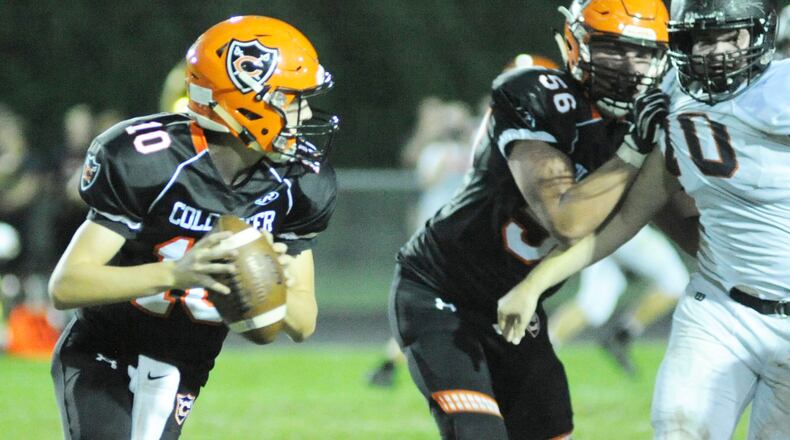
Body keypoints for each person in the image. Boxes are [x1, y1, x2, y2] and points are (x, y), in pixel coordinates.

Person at [498, 0, 789, 437]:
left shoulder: (779, 90)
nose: (716, 51)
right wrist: (534, 283)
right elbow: (628, 218)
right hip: (720, 312)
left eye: (732, 36)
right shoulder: (673, 100)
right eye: (702, 39)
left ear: (761, 38)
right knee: (678, 429)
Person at [388, 0, 676, 438]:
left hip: (517, 308)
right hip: (442, 292)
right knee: (477, 431)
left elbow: (654, 217)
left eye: (643, 52)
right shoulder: (537, 94)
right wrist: (634, 150)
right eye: (612, 48)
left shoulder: (647, 119)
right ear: (575, 44)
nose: (629, 65)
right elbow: (567, 220)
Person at [48, 15, 339, 439]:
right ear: (246, 102)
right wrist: (175, 274)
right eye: (293, 99)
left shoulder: (300, 183)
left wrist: (269, 281)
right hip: (103, 350)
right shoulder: (148, 160)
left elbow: (303, 322)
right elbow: (66, 285)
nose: (307, 111)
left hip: (184, 366)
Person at [548, 223, 690, 376]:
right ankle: (622, 335)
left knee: (593, 305)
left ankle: (540, 349)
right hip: (621, 225)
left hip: (599, 229)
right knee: (675, 282)